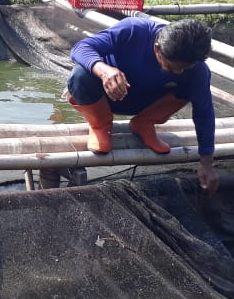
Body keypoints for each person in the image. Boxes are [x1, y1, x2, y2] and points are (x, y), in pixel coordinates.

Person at [67, 18, 219, 194]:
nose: (178, 73)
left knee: (196, 82)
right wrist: (104, 70)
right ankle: (100, 126)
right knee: (80, 75)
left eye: (184, 69)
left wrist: (206, 163)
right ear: (157, 49)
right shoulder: (133, 30)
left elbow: (204, 113)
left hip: (146, 102)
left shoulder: (197, 70)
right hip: (106, 95)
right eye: (171, 67)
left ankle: (144, 123)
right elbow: (80, 48)